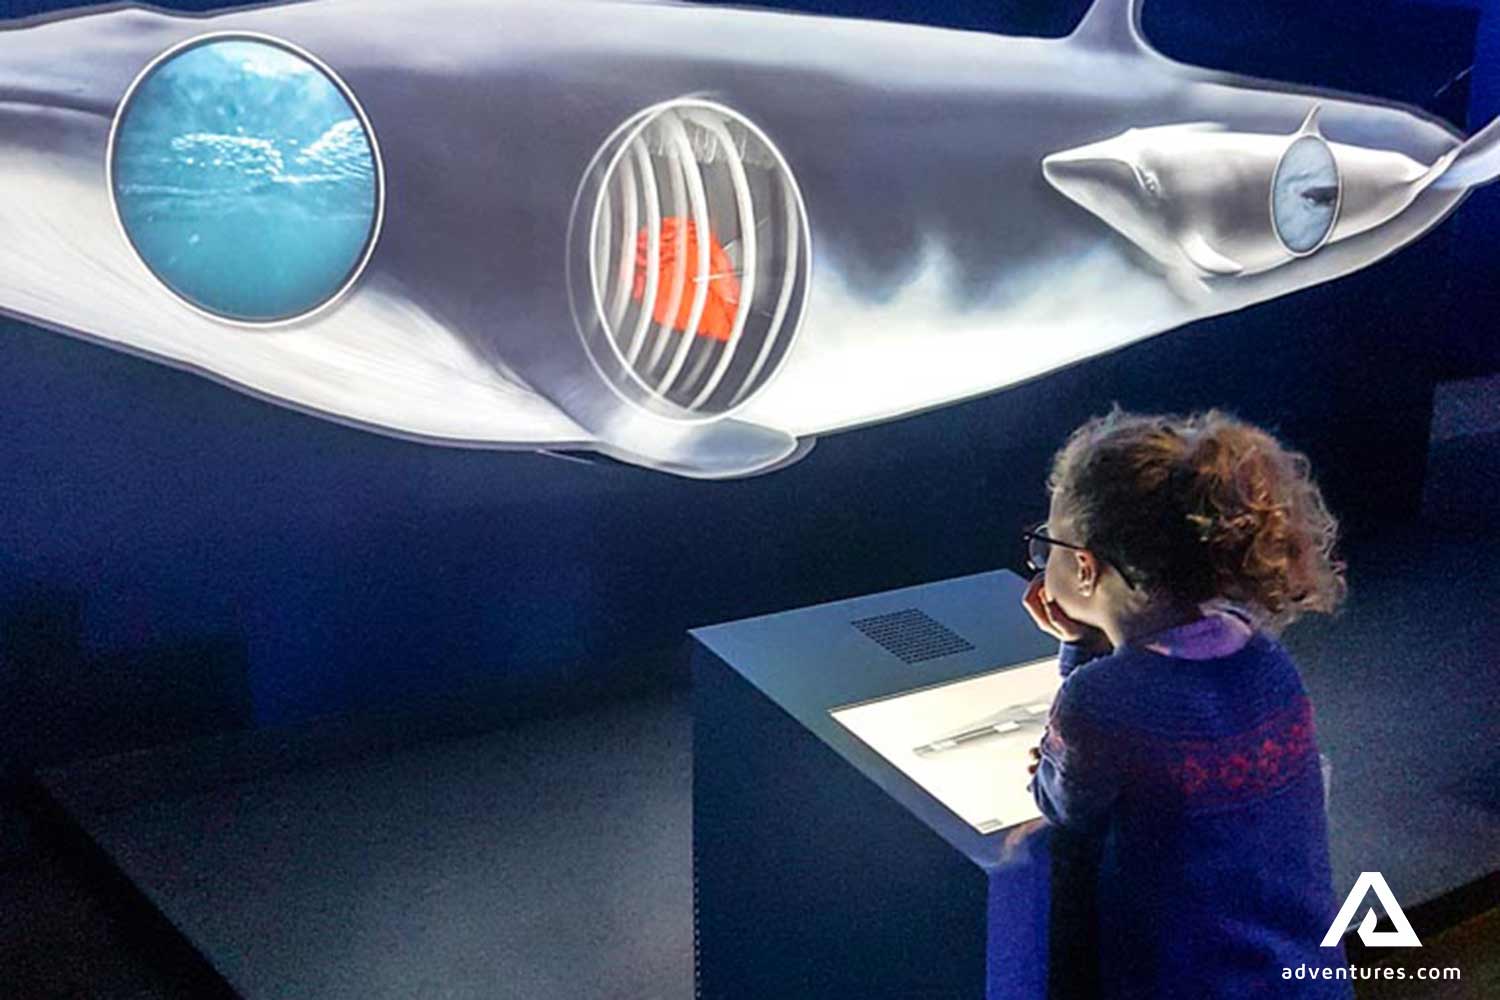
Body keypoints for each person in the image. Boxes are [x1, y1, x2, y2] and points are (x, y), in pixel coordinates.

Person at [1020, 405, 1353, 999]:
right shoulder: (1266, 656)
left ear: (1086, 568)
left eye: (1047, 547)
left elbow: (1064, 802)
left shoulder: (1099, 699)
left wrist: (1078, 657)